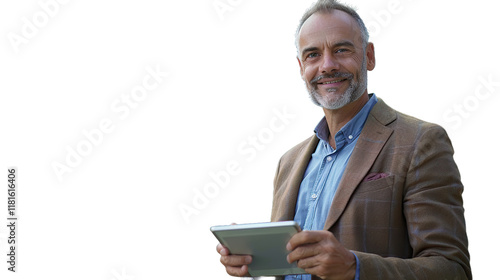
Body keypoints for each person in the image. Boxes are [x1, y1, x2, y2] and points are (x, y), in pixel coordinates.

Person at [216, 0, 472, 279]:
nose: (327, 66)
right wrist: (253, 260)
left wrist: (355, 267)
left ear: (369, 56)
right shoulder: (288, 163)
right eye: (313, 55)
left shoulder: (420, 142)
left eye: (341, 50)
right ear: (302, 67)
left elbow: (451, 269)